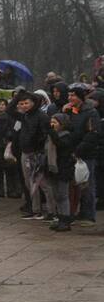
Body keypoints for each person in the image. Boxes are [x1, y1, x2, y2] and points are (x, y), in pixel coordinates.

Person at [65, 87, 101, 226]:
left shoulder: (90, 113)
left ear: (80, 97)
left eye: (73, 95)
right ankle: (78, 212)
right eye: (69, 95)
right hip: (73, 152)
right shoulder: (72, 111)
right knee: (76, 185)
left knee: (87, 184)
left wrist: (79, 150)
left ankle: (89, 215)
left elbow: (92, 134)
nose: (70, 98)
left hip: (86, 154)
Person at [14, 91, 49, 220]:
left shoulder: (41, 116)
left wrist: (37, 147)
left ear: (33, 103)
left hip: (37, 153)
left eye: (26, 103)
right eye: (21, 104)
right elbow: (9, 110)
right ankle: (35, 210)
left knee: (43, 183)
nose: (24, 106)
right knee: (29, 183)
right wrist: (18, 95)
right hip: (25, 152)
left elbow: (45, 134)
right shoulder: (25, 116)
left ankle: (52, 211)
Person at [44, 113, 75, 232]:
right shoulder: (51, 136)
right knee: (56, 195)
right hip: (53, 169)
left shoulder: (66, 136)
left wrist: (51, 133)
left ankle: (66, 220)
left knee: (63, 195)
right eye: (51, 122)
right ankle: (60, 218)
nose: (52, 125)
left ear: (62, 124)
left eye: (55, 122)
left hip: (63, 169)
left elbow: (61, 146)